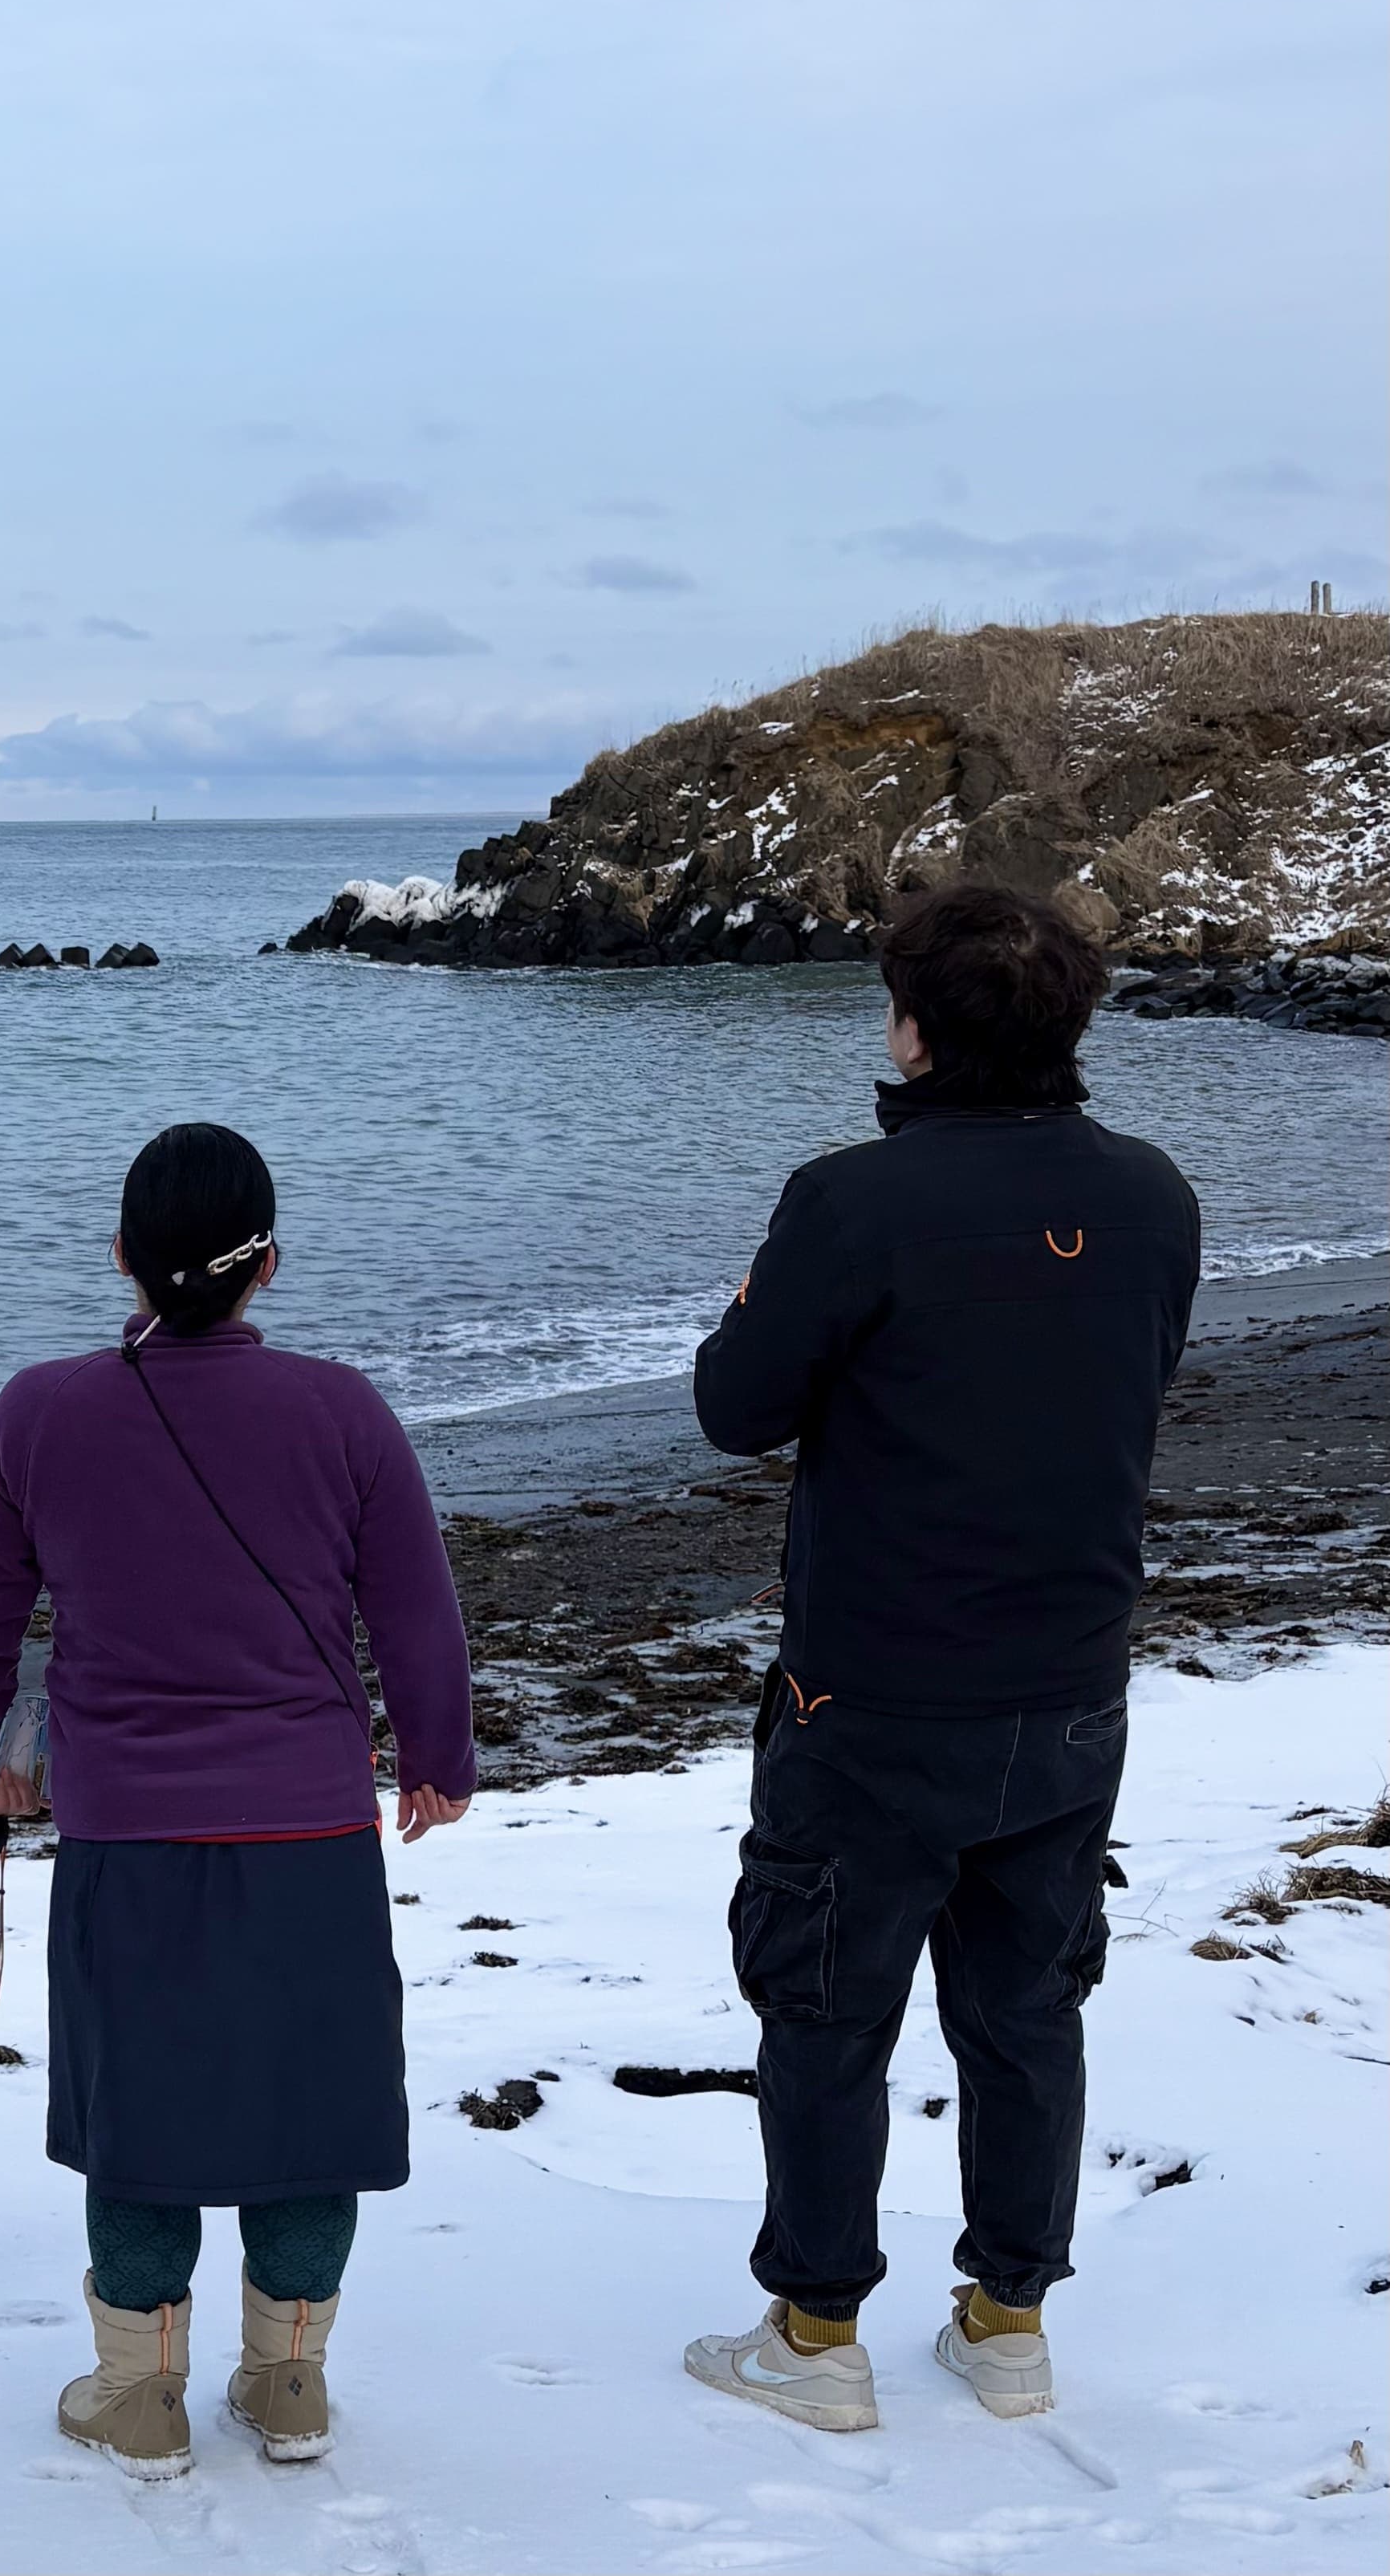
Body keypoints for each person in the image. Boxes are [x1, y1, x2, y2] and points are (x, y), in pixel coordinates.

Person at [681, 881, 1200, 2434]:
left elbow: (735, 1402)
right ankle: (1006, 2317)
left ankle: (818, 2331)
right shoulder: (1155, 1194)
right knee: (1027, 2008)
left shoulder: (851, 1200)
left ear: (914, 1032)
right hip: (1070, 1683)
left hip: (878, 1691)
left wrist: (757, 1311)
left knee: (830, 2012)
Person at [0, 1122, 477, 2480]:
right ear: (267, 1269)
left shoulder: (38, 1412)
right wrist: (436, 1756)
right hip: (309, 1827)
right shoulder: (343, 1409)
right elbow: (418, 1607)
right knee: (311, 2106)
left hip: (127, 1832)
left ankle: (141, 2396)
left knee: (142, 2114)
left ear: (123, 1259)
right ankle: (288, 2384)